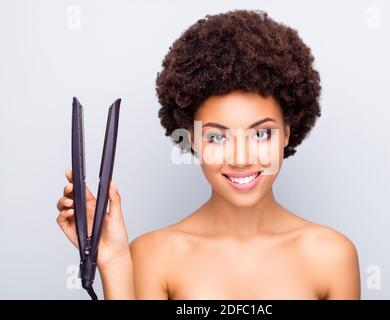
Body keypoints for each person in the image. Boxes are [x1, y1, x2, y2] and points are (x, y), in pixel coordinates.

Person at [56, 9, 360, 300]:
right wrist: (114, 264)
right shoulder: (154, 255)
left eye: (261, 133)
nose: (241, 158)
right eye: (217, 136)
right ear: (192, 139)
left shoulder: (331, 256)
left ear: (288, 133)